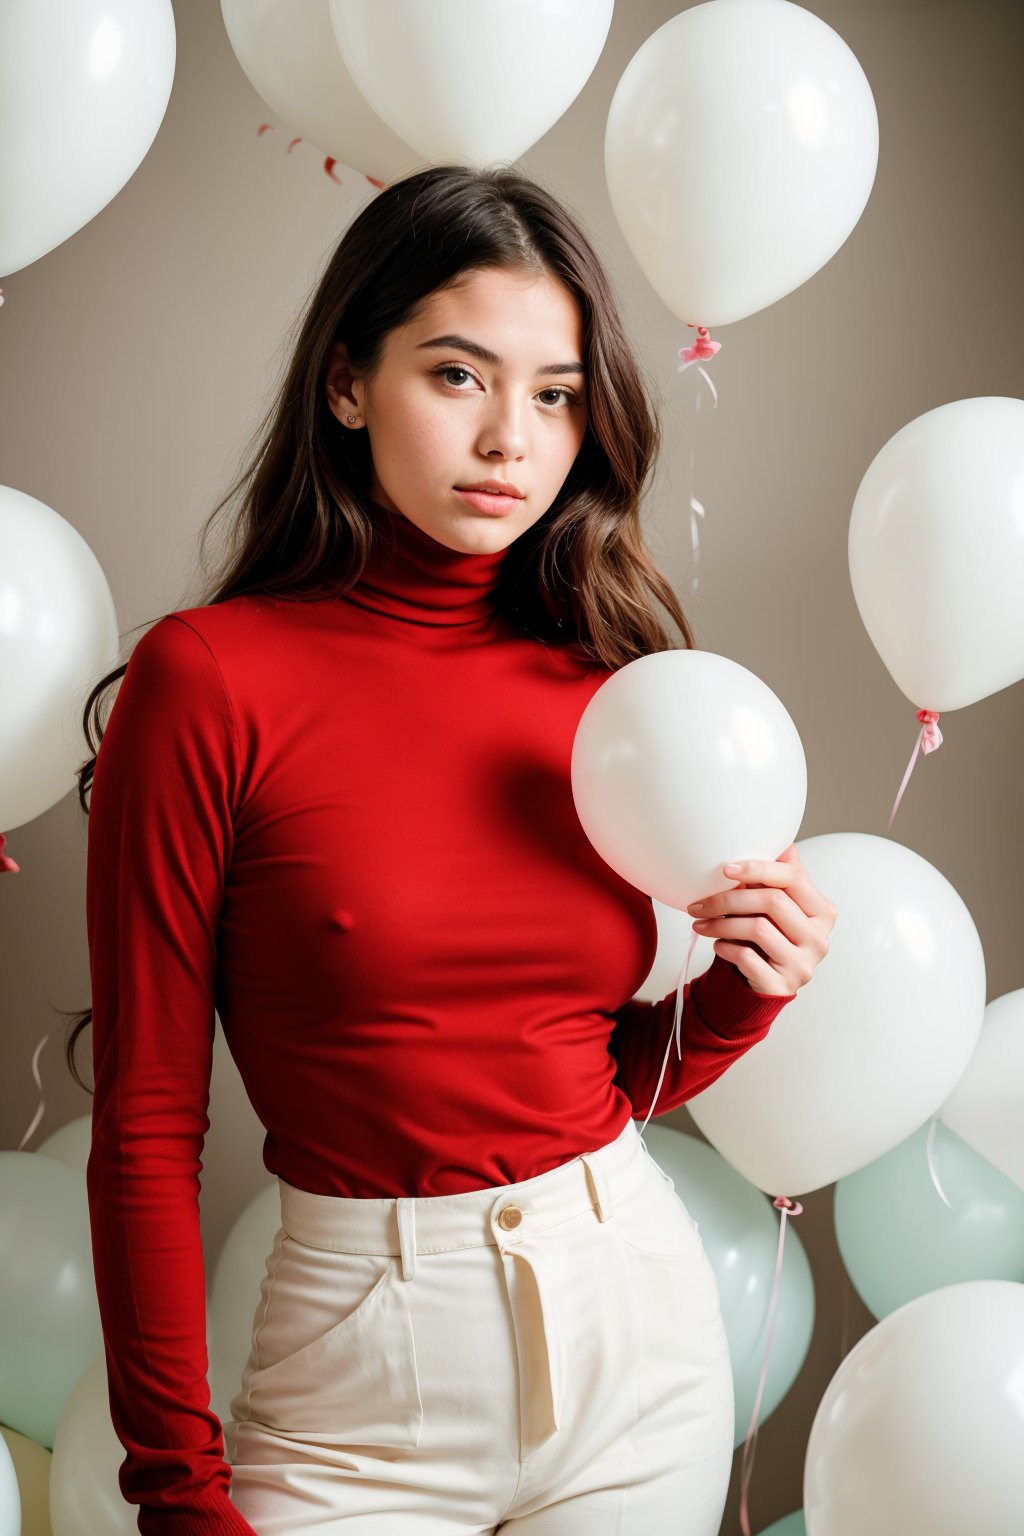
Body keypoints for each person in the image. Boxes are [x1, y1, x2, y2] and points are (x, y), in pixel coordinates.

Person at [69, 164, 835, 1536]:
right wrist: (177, 1494)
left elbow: (586, 1078)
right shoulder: (208, 682)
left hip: (636, 1349)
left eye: (553, 393)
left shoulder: (605, 682)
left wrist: (738, 996)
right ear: (347, 383)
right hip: (356, 1385)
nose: (511, 441)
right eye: (457, 376)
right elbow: (142, 1124)